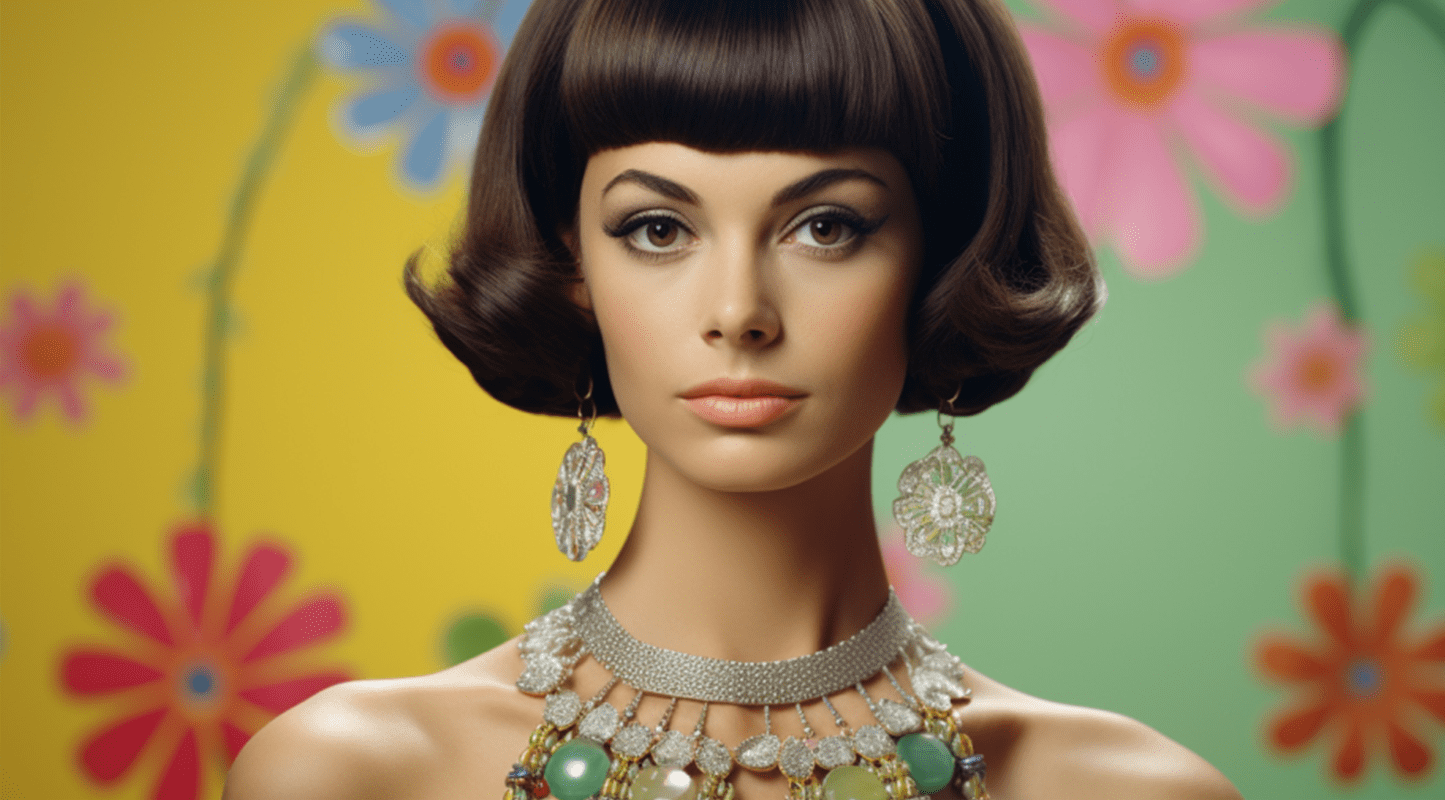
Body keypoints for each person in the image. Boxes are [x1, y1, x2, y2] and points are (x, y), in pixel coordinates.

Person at [225, 0, 1242, 798]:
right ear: (572, 265)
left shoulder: (1124, 789)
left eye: (826, 226)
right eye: (658, 229)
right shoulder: (351, 773)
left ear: (941, 259)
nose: (738, 312)